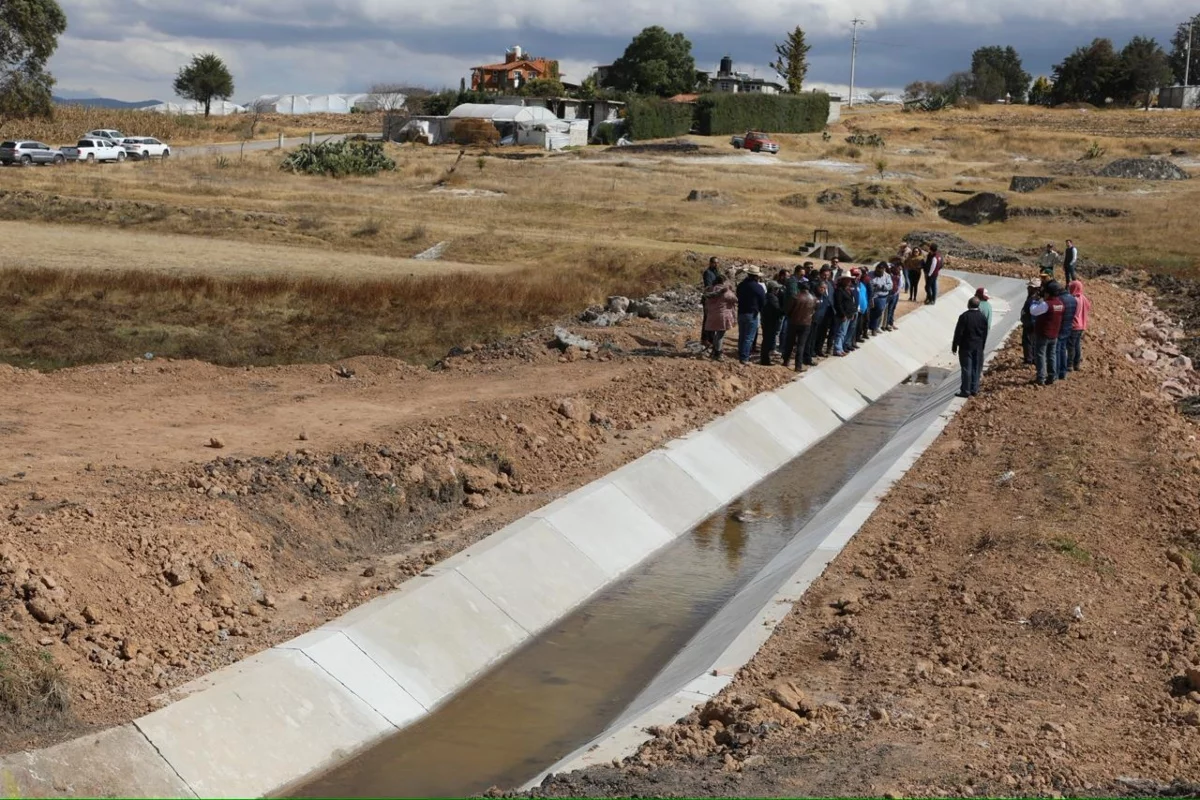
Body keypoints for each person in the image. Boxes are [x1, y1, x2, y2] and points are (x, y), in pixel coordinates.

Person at [1030, 280, 1066, 386]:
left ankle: (1041, 377)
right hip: (1054, 334)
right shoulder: (1060, 304)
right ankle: (1052, 376)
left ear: (1048, 293)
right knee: (1052, 355)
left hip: (1043, 333)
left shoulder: (1047, 304)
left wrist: (1036, 301)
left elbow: (1033, 311)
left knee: (1040, 355)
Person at [951, 296, 989, 398]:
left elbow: (958, 332)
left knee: (967, 368)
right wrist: (982, 345)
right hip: (978, 346)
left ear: (968, 304)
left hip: (966, 347)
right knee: (976, 368)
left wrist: (955, 345)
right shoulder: (982, 317)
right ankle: (974, 389)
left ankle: (965, 390)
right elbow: (985, 333)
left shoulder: (964, 317)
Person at [781, 280, 815, 371]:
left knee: (790, 343)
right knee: (801, 345)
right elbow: (814, 310)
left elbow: (788, 310)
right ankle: (798, 366)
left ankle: (786, 360)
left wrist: (791, 316)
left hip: (794, 322)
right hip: (806, 323)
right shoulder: (813, 298)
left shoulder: (795, 297)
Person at [736, 266, 766, 364]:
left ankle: (741, 354)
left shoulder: (741, 285)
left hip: (741, 312)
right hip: (752, 313)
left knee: (742, 335)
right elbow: (763, 301)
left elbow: (738, 295)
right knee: (749, 337)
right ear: (756, 276)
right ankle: (744, 357)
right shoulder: (758, 287)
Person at [703, 275, 737, 360]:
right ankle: (718, 353)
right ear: (723, 282)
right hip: (722, 316)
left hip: (711, 315)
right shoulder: (725, 291)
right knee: (720, 334)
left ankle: (715, 351)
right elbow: (735, 299)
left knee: (716, 334)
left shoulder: (710, 289)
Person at [1055, 282, 1077, 382]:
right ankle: (1063, 372)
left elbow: (1057, 314)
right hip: (1068, 328)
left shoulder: (1060, 300)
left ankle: (1057, 371)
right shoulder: (1073, 299)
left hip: (1060, 327)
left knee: (1057, 350)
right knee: (1063, 349)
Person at [807, 279, 832, 364]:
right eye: (821, 287)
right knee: (808, 339)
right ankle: (806, 357)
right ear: (817, 287)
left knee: (813, 339)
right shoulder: (813, 296)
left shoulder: (824, 298)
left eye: (824, 288)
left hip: (818, 321)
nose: (823, 290)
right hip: (810, 321)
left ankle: (811, 354)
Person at [1068, 279, 1091, 371]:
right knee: (1077, 345)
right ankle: (1076, 364)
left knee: (1071, 346)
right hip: (1082, 325)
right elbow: (1088, 307)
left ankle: (1069, 364)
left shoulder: (1074, 299)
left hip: (1074, 325)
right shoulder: (1084, 298)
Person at [760, 280, 784, 366]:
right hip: (770, 322)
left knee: (766, 340)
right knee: (767, 341)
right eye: (777, 289)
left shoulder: (767, 296)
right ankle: (765, 360)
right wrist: (784, 311)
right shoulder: (773, 298)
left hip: (766, 321)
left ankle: (765, 359)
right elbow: (777, 310)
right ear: (773, 289)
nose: (778, 291)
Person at [833, 276, 857, 357]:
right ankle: (837, 349)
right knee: (840, 332)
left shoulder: (848, 290)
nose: (848, 281)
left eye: (849, 280)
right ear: (842, 280)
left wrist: (852, 313)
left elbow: (851, 302)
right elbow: (838, 304)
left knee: (843, 332)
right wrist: (843, 314)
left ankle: (840, 348)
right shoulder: (839, 291)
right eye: (847, 280)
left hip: (849, 314)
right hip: (843, 315)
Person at [868, 263, 892, 335]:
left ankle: (874, 327)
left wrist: (881, 286)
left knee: (879, 310)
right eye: (877, 271)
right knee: (869, 312)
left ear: (883, 270)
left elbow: (890, 286)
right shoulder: (870, 274)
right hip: (871, 296)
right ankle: (870, 327)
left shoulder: (887, 276)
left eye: (880, 272)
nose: (878, 273)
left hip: (881, 296)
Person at [1020, 278, 1040, 365]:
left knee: (1028, 341)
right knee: (1032, 341)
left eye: (1030, 287)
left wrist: (1029, 323)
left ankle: (1029, 359)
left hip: (1030, 324)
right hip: (1031, 324)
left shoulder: (1033, 300)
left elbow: (1033, 313)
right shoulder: (1033, 298)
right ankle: (1033, 358)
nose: (1028, 289)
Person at [701, 257, 720, 345]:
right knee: (707, 319)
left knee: (713, 319)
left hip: (715, 298)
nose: (716, 264)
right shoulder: (707, 273)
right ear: (710, 263)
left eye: (717, 263)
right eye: (714, 263)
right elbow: (708, 286)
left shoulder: (717, 272)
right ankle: (705, 338)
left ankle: (711, 338)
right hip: (709, 298)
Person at [885, 260, 904, 330]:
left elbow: (901, 282)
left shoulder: (900, 273)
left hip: (897, 293)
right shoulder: (892, 273)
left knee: (893, 308)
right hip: (892, 293)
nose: (901, 269)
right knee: (889, 309)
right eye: (899, 267)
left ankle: (891, 323)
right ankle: (886, 324)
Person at [855, 270, 870, 344]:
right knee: (855, 326)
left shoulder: (862, 284)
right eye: (856, 275)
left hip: (863, 308)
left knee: (860, 325)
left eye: (858, 275)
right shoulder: (853, 285)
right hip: (856, 309)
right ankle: (853, 340)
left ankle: (857, 338)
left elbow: (865, 296)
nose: (857, 276)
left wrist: (866, 305)